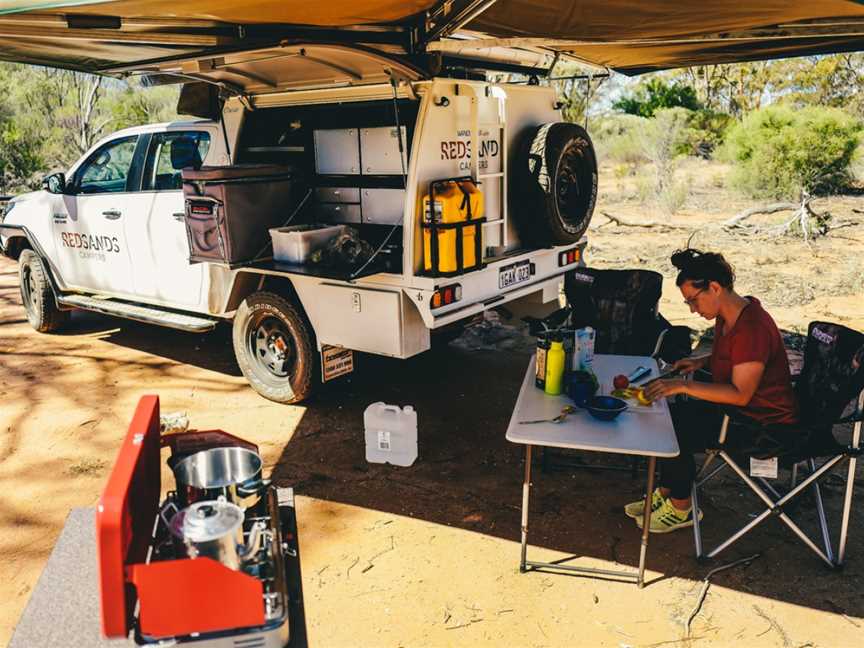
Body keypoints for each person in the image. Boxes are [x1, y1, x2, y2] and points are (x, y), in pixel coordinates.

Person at [624, 248, 799, 533]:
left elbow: (741, 393)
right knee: (667, 416)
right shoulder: (732, 314)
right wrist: (700, 361)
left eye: (694, 300)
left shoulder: (751, 328)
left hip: (765, 426)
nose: (693, 309)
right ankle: (668, 493)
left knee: (674, 427)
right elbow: (735, 358)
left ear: (715, 288)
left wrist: (683, 385)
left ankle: (682, 508)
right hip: (741, 413)